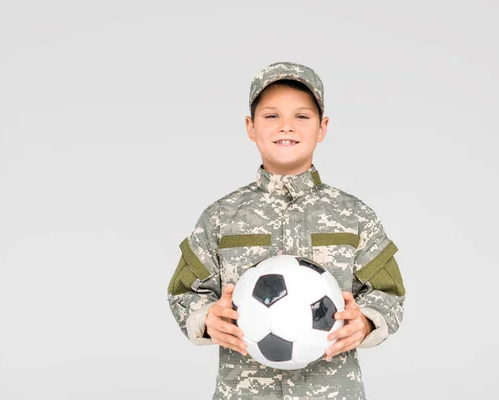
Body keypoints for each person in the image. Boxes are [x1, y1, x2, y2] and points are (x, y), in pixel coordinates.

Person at [167, 61, 406, 400]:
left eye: (302, 117)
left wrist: (365, 322)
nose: (287, 127)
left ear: (322, 128)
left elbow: (390, 293)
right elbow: (183, 291)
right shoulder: (220, 217)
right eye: (271, 116)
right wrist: (206, 319)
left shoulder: (354, 215)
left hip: (334, 391)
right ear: (251, 127)